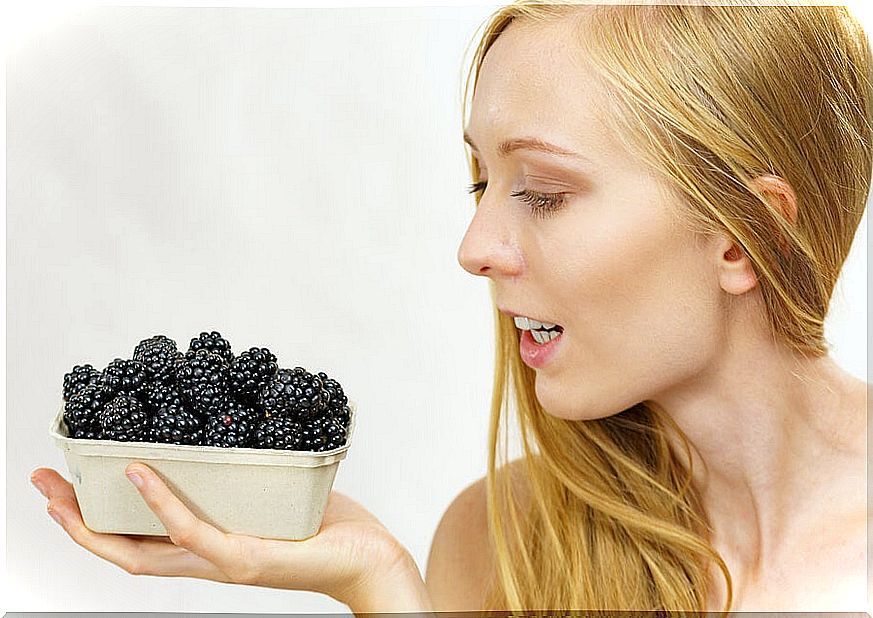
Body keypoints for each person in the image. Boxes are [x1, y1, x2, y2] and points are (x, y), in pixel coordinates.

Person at [31, 0, 870, 612]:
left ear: (742, 234)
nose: (474, 248)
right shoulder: (497, 539)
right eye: (480, 181)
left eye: (542, 192)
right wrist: (379, 586)